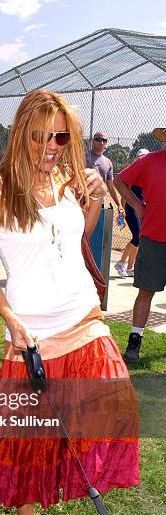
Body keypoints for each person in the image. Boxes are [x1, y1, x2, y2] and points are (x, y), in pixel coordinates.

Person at [0, 90, 139, 515]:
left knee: (115, 400)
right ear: (23, 132)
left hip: (84, 316)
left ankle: (71, 475)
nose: (52, 145)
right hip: (32, 335)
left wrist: (94, 201)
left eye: (61, 136)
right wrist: (12, 320)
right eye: (42, 135)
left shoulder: (68, 177)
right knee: (28, 443)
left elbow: (75, 238)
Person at [114, 127, 166, 363]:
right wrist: (136, 205)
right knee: (146, 291)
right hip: (154, 238)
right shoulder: (150, 161)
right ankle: (135, 341)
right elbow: (119, 180)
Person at [114, 149, 149, 278]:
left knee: (139, 239)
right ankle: (121, 263)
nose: (142, 160)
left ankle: (130, 267)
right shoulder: (133, 172)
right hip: (131, 209)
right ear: (136, 159)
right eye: (140, 157)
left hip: (141, 209)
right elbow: (124, 193)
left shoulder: (147, 174)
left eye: (145, 157)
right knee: (138, 237)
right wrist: (122, 211)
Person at [85, 131, 124, 217]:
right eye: (98, 139)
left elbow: (110, 186)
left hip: (98, 203)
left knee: (96, 228)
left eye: (104, 140)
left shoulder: (108, 162)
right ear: (92, 141)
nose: (101, 142)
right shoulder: (83, 157)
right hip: (82, 201)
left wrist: (119, 205)